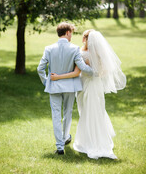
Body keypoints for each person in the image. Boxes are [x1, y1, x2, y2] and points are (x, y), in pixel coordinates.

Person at [51, 29, 126, 159]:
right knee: (95, 112)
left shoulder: (82, 53)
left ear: (86, 39)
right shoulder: (98, 53)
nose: (82, 39)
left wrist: (58, 77)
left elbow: (75, 73)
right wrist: (96, 74)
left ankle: (89, 143)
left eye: (83, 37)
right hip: (95, 85)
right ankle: (96, 140)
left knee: (88, 113)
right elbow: (106, 70)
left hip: (85, 85)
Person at [37, 23, 94, 155]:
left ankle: (60, 146)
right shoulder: (74, 49)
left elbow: (40, 68)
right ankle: (65, 137)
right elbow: (83, 67)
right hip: (70, 86)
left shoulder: (49, 48)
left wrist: (47, 82)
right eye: (72, 33)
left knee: (56, 115)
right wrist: (95, 72)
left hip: (54, 87)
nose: (72, 35)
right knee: (67, 112)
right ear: (67, 32)